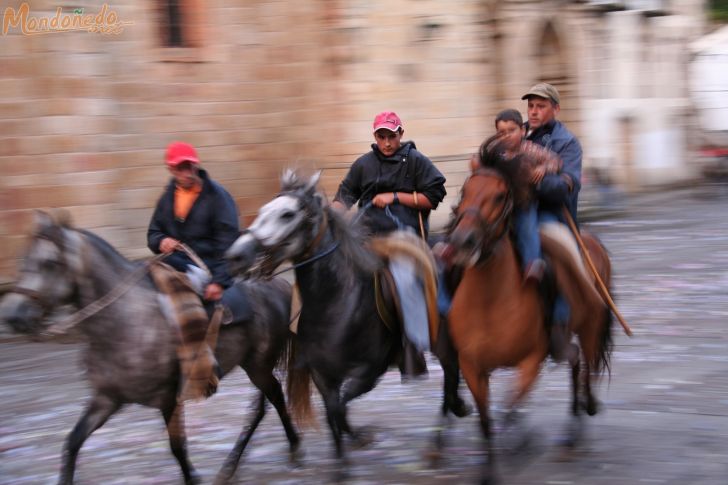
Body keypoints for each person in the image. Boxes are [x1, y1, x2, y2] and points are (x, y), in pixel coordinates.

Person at [521, 82, 583, 363]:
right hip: (516, 209)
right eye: (531, 106)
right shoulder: (515, 133)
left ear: (555, 109)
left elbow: (565, 187)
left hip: (551, 212)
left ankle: (559, 327)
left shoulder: (567, 143)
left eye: (540, 106)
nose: (533, 112)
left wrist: (535, 181)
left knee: (557, 261)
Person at [148, 141, 240, 302]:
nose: (188, 173)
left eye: (190, 166)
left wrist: (218, 281)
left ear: (196, 165)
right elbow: (153, 233)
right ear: (171, 169)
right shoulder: (167, 198)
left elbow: (228, 243)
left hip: (206, 267)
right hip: (174, 263)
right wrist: (161, 241)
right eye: (181, 168)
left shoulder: (218, 197)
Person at [332, 111, 446, 239]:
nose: (387, 143)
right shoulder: (363, 164)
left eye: (392, 136)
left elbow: (433, 197)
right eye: (381, 137)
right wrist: (330, 216)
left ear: (401, 133)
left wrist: (394, 197)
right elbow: (343, 198)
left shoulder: (416, 160)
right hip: (366, 236)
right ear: (375, 136)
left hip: (405, 236)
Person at [492, 108, 561, 284]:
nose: (506, 136)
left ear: (522, 131)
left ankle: (532, 263)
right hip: (500, 203)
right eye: (501, 133)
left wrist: (543, 168)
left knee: (526, 225)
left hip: (523, 202)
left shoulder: (530, 149)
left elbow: (555, 161)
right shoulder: (496, 153)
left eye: (511, 131)